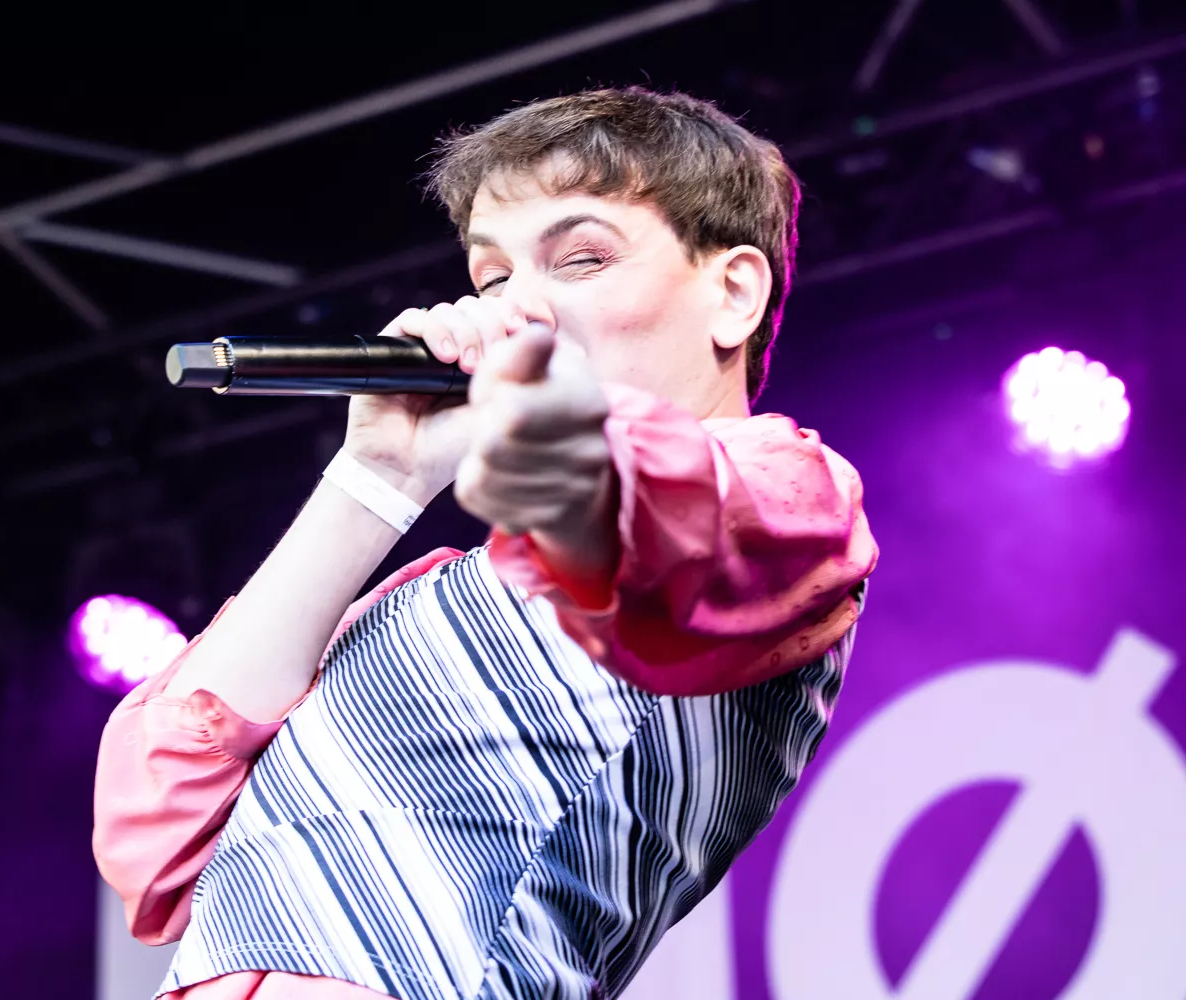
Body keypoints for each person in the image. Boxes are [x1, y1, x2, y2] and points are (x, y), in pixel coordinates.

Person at [93, 87, 878, 1000]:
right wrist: (377, 478)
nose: (518, 310)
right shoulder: (425, 598)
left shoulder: (780, 488)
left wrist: (544, 407)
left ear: (734, 293)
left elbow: (660, 526)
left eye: (581, 259)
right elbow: (162, 840)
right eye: (494, 278)